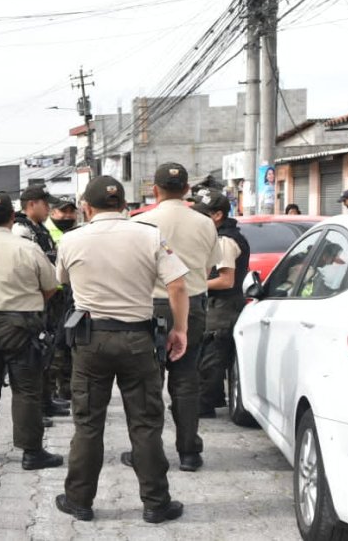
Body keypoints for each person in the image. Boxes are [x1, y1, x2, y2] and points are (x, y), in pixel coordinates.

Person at [53, 175, 190, 525]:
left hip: (91, 341)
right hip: (138, 340)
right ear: (125, 205)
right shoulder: (149, 235)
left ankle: (79, 501)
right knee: (145, 425)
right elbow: (177, 285)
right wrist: (180, 329)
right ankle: (156, 504)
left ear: (86, 207)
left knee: (88, 424)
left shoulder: (70, 240)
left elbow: (62, 280)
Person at [0, 191, 64, 471]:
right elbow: (51, 286)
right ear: (11, 216)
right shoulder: (27, 248)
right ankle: (31, 453)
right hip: (21, 327)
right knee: (26, 390)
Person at [125, 162, 219, 472]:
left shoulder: (140, 222)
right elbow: (207, 269)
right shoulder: (205, 223)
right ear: (187, 189)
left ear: (155, 190)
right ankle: (189, 452)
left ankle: (145, 452)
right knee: (187, 379)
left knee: (147, 382)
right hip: (191, 305)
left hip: (148, 307)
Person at [190, 189, 249, 417]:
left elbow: (226, 281)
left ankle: (204, 404)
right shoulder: (217, 236)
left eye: (202, 214)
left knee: (212, 355)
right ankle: (211, 398)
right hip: (218, 304)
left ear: (217, 215)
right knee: (209, 352)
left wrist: (194, 285)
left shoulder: (225, 240)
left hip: (224, 305)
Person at [13, 184, 69, 420]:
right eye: (45, 204)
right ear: (32, 204)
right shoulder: (21, 231)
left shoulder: (38, 228)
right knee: (35, 355)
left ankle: (47, 400)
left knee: (49, 350)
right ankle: (36, 409)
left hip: (50, 299)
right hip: (35, 300)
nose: (49, 209)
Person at [45, 196, 79, 403]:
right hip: (53, 296)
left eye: (70, 211)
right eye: (62, 211)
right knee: (55, 343)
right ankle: (51, 391)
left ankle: (67, 389)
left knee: (71, 341)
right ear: (53, 212)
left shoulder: (78, 232)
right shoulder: (45, 233)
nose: (67, 216)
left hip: (73, 294)